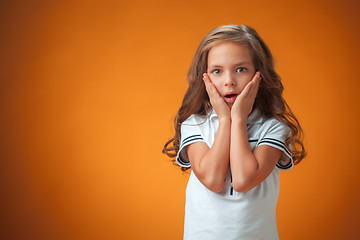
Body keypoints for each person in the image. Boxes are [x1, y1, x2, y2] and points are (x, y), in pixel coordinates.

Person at [163, 24, 306, 240]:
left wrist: (237, 119)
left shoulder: (274, 127)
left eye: (241, 69)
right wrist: (224, 119)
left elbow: (243, 180)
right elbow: (212, 179)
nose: (229, 81)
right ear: (205, 77)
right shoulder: (194, 124)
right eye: (217, 71)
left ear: (259, 75)